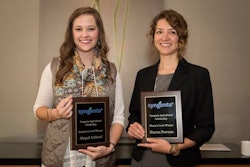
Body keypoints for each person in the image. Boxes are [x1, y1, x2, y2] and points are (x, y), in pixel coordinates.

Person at [33, 7, 125, 167]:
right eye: (78, 29)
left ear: (99, 32)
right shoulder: (55, 67)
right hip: (60, 159)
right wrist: (55, 113)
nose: (85, 35)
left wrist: (109, 147)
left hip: (99, 160)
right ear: (72, 33)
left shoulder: (111, 71)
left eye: (91, 29)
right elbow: (38, 109)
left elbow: (118, 118)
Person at [127, 9, 215, 167]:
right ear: (153, 36)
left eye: (172, 32)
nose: (164, 37)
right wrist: (133, 128)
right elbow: (134, 115)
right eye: (159, 31)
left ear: (180, 37)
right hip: (142, 160)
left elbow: (205, 128)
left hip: (179, 160)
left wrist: (174, 147)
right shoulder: (143, 75)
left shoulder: (198, 75)